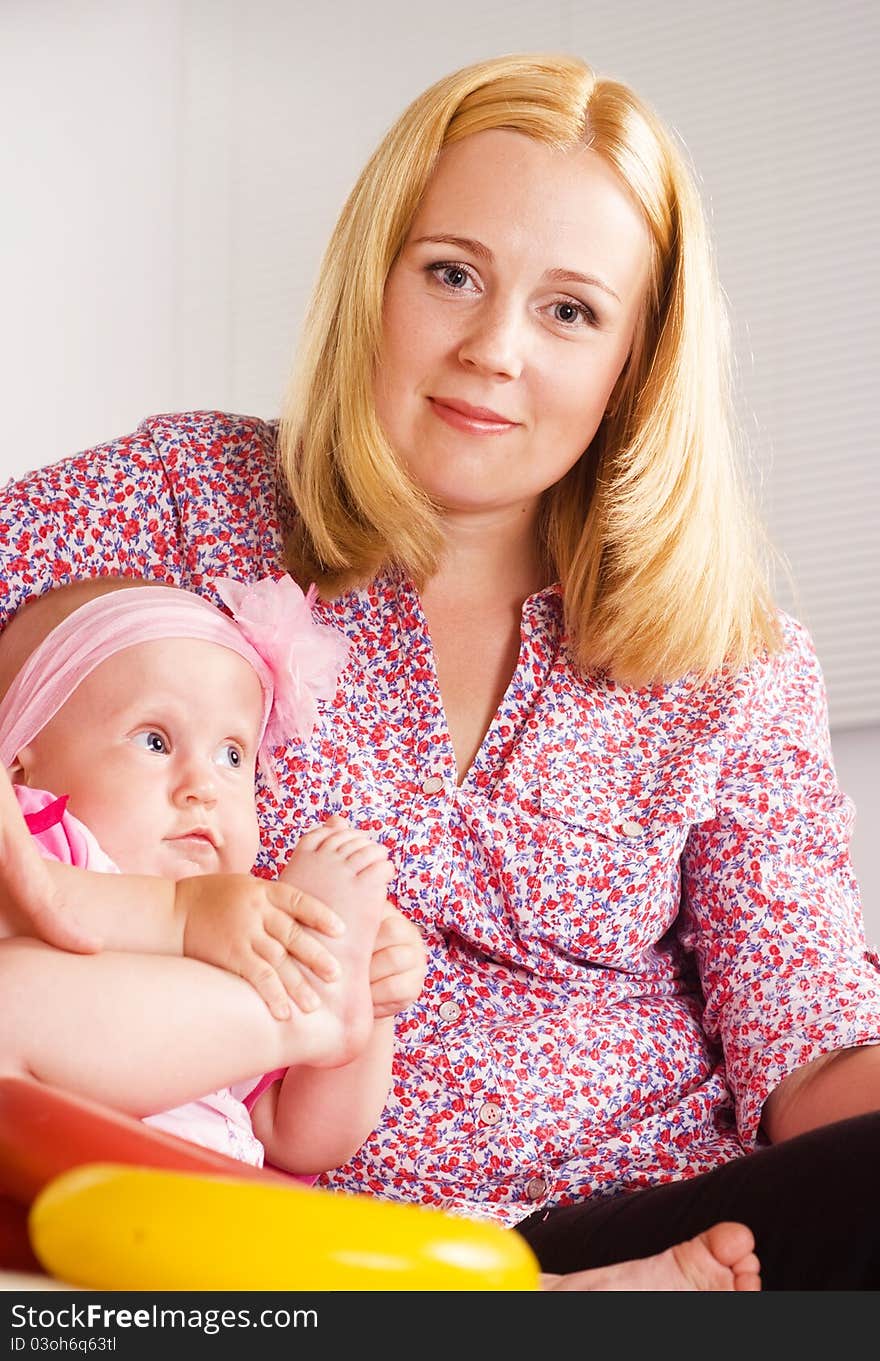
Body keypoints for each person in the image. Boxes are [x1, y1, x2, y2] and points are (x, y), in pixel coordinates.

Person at [3, 50, 879, 1290]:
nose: (493, 348)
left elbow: (809, 1052)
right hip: (307, 1229)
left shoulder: (732, 656)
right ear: (377, 279)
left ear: (633, 360)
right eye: (452, 274)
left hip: (668, 1225)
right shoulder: (182, 500)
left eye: (569, 310)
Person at [0, 573, 427, 1175]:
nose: (203, 788)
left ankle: (317, 1017)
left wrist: (358, 997)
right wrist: (184, 917)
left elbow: (298, 1139)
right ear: (21, 763)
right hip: (54, 1183)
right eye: (154, 741)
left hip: (211, 1211)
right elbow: (33, 910)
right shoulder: (34, 838)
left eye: (232, 756)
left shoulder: (236, 927)